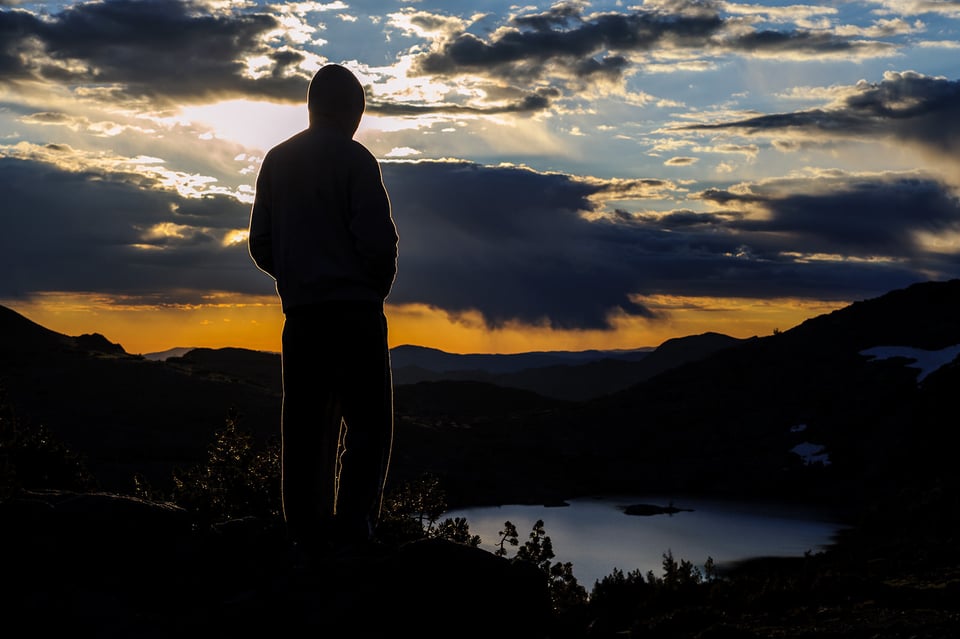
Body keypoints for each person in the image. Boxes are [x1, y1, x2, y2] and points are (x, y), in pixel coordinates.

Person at [247, 63, 398, 557]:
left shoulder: (276, 160)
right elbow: (378, 242)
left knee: (306, 428)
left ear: (311, 106)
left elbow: (260, 244)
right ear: (351, 110)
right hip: (355, 314)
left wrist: (296, 280)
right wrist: (371, 289)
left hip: (304, 317)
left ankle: (306, 537)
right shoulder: (357, 161)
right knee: (369, 427)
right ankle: (355, 533)